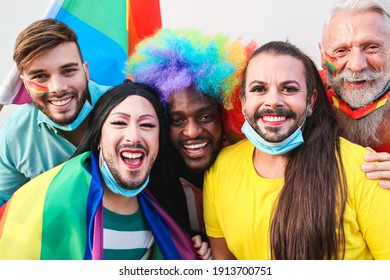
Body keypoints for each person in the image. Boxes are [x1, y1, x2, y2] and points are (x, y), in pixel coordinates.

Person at [204, 41, 390, 259]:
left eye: (289, 89)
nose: (272, 101)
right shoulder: (220, 169)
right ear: (244, 101)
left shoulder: (365, 168)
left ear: (310, 100)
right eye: (258, 89)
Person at [0, 81, 208, 260]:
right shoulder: (48, 201)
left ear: (159, 142)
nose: (134, 136)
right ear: (99, 138)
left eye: (147, 125)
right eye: (119, 123)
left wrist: (193, 254)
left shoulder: (165, 211)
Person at [127, 28, 251, 233]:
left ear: (225, 114)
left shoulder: (248, 164)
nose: (192, 132)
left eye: (205, 117)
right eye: (177, 120)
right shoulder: (149, 181)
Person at [0, 19, 111, 205]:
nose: (57, 88)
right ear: (25, 84)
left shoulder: (125, 107)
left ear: (85, 70)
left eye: (68, 71)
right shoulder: (14, 134)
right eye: (40, 76)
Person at [319, 0, 390, 188]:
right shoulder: (300, 92)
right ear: (322, 55)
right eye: (341, 51)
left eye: (372, 47)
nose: (356, 65)